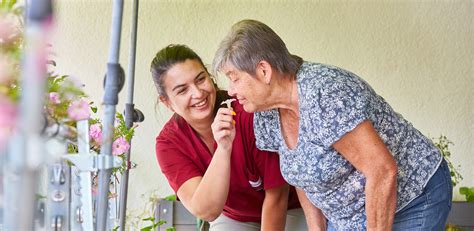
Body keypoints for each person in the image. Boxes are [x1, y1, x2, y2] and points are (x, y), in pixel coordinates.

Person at [212, 19, 452, 230]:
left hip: (412, 198)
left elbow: (382, 171)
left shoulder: (326, 95)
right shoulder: (266, 112)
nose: (231, 91)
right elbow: (301, 175)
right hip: (350, 214)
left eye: (235, 79)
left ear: (263, 71)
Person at [150, 44, 305, 231]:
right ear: (166, 102)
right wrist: (223, 149)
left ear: (210, 76)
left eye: (200, 79)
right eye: (182, 90)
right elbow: (206, 211)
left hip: (290, 207)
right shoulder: (169, 144)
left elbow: (278, 195)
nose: (198, 93)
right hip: (237, 218)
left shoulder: (247, 111)